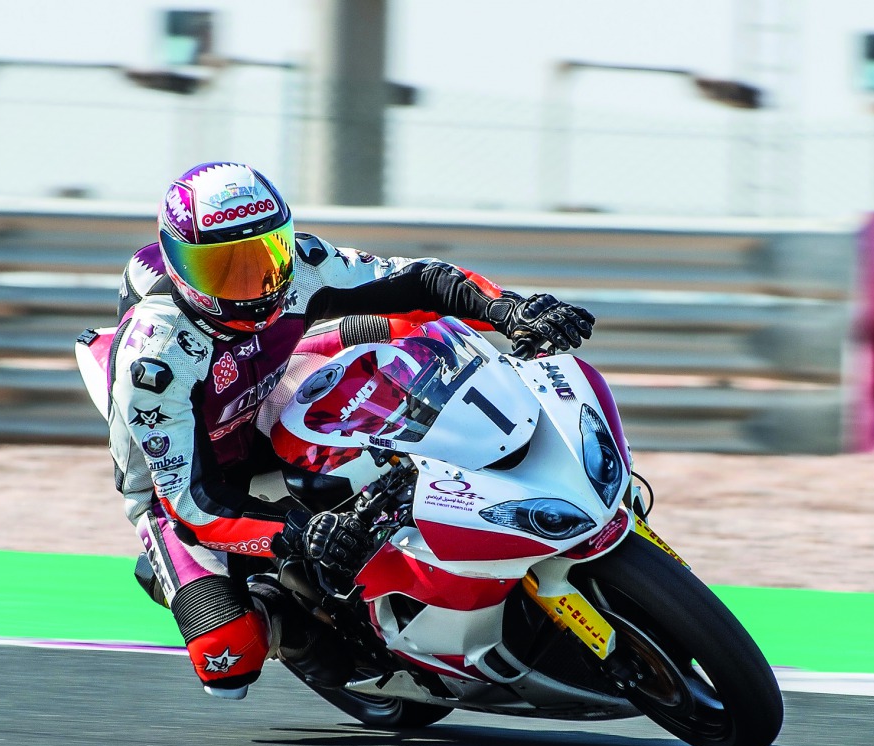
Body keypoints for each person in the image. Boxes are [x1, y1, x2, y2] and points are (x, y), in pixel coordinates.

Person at [92, 161, 594, 699]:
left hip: (273, 389)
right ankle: (291, 621)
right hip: (190, 485)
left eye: (265, 255)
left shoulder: (301, 268)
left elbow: (420, 280)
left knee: (411, 325)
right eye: (223, 269)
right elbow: (196, 504)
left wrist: (510, 310)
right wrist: (297, 534)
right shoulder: (156, 361)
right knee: (228, 657)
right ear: (179, 267)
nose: (252, 284)